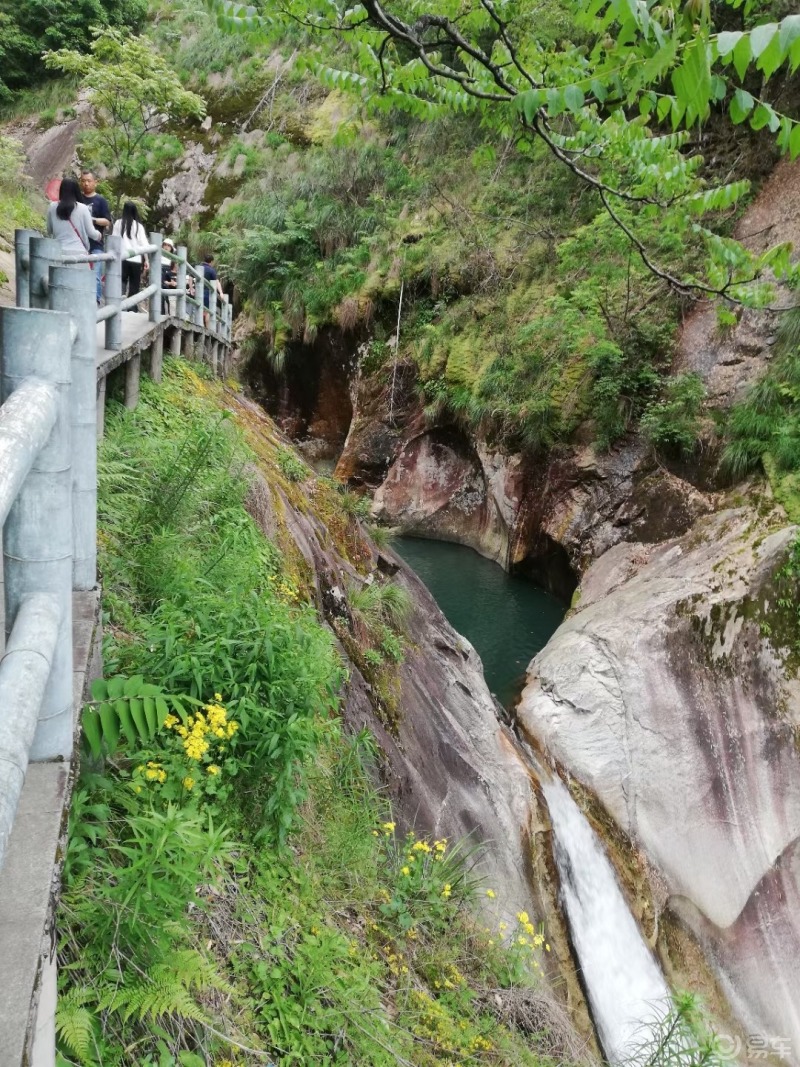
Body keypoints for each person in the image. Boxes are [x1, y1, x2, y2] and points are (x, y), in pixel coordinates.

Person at [46, 177, 100, 258]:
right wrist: (99, 235)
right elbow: (91, 233)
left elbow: (49, 230)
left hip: (59, 254)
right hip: (79, 255)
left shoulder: (52, 207)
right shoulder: (83, 208)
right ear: (76, 190)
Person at [80, 170, 112, 304]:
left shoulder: (101, 201)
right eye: (83, 181)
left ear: (95, 182)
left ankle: (95, 301)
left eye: (89, 181)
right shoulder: (78, 198)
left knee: (96, 275)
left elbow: (107, 221)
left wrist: (91, 220)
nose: (86, 184)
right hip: (80, 243)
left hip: (96, 244)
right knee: (80, 273)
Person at [112, 203, 149, 311]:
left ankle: (119, 306)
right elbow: (144, 245)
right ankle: (132, 308)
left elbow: (114, 240)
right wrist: (146, 260)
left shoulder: (118, 223)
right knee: (134, 285)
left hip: (122, 259)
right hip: (136, 260)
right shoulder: (138, 226)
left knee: (121, 282)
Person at [199, 253, 223, 328]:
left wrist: (191, 288)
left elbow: (190, 277)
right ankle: (207, 328)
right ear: (211, 262)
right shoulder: (211, 270)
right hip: (207, 292)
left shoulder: (198, 267)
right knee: (207, 311)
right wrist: (221, 293)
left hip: (198, 291)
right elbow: (217, 282)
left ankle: (199, 324)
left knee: (198, 307)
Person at [161, 238, 178, 315]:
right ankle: (161, 313)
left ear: (171, 248)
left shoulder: (173, 259)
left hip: (168, 279)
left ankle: (169, 315)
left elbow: (175, 271)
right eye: (164, 245)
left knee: (168, 298)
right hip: (160, 277)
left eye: (168, 245)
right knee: (160, 296)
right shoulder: (158, 256)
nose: (166, 247)